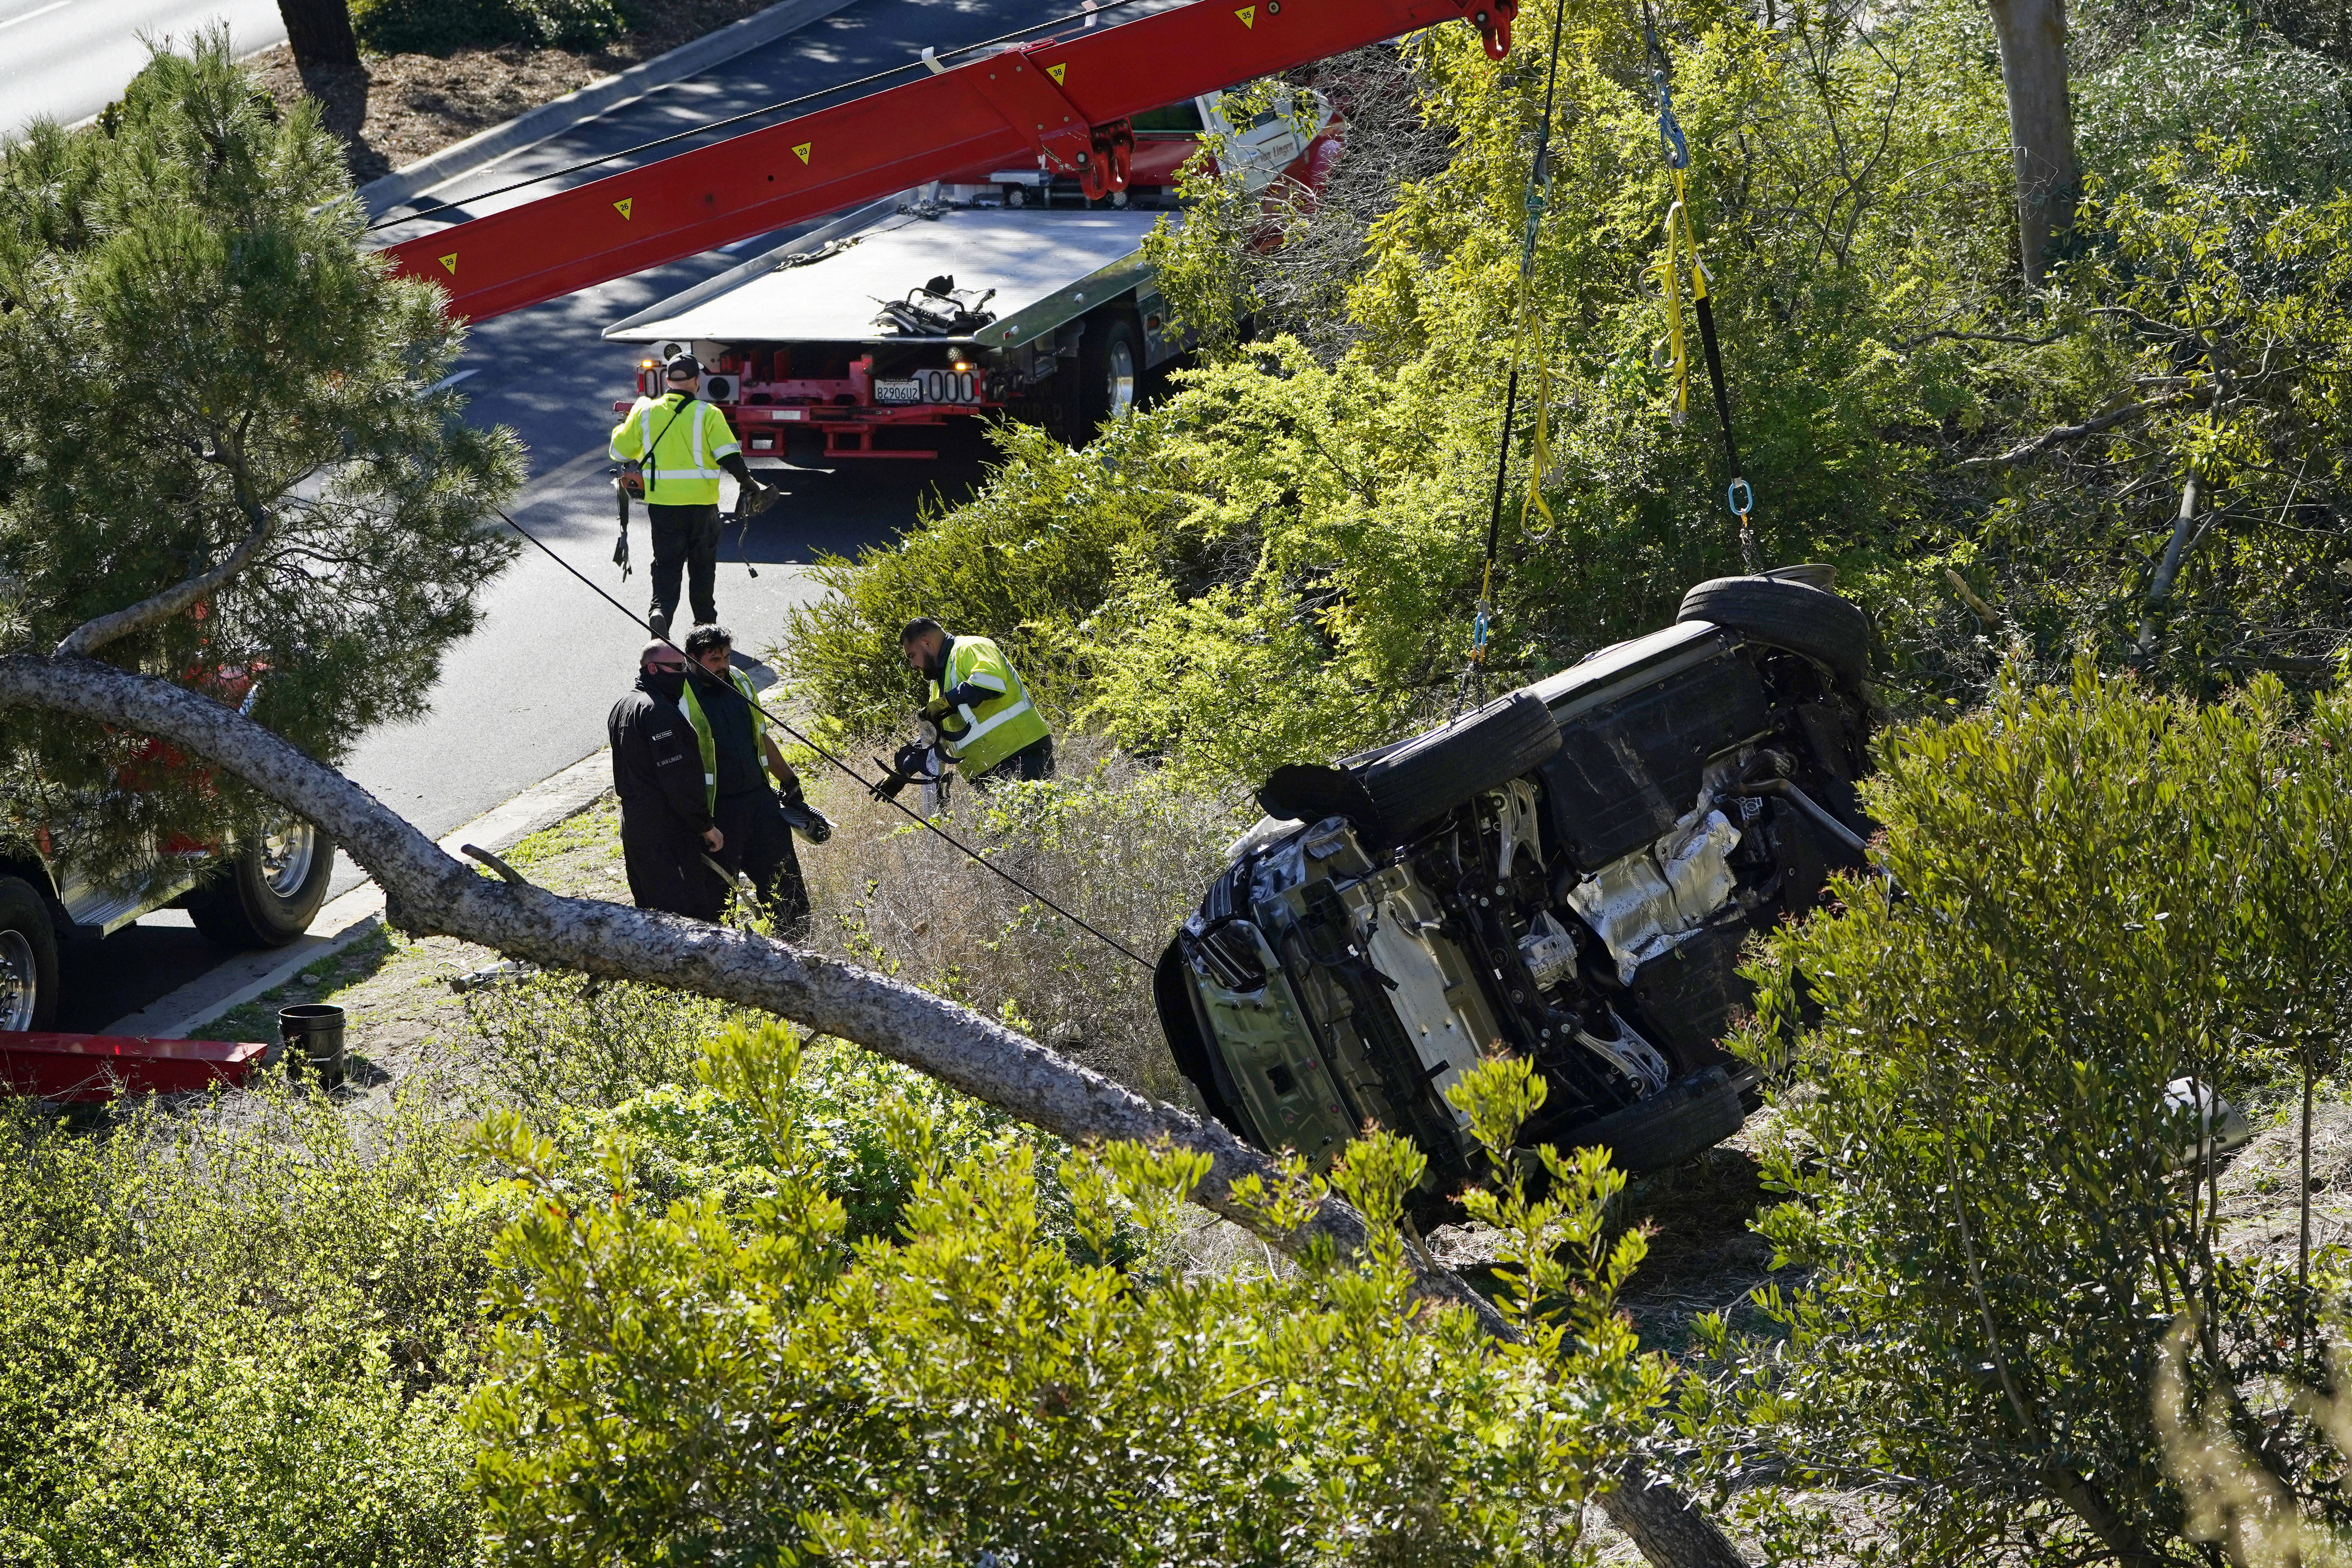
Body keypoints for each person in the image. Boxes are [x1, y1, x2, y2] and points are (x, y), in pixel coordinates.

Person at [609, 352, 776, 637]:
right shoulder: (709, 414)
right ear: (697, 382)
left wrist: (627, 421)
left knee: (666, 566)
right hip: (703, 508)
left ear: (667, 381)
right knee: (702, 568)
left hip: (664, 507)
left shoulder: (646, 412)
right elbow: (730, 457)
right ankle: (706, 630)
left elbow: (619, 452)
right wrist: (749, 484)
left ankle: (660, 614)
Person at [679, 624, 829, 937]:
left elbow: (761, 738)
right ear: (691, 659)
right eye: (714, 659)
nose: (723, 666)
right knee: (718, 902)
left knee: (787, 887)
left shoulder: (741, 682)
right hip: (717, 814)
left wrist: (789, 780)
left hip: (760, 804)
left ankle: (798, 951)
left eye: (727, 657)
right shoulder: (680, 696)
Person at [608, 641, 728, 921]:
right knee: (683, 913)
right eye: (677, 667)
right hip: (665, 828)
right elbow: (678, 779)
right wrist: (705, 825)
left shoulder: (623, 706)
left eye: (685, 666)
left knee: (651, 912)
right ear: (653, 668)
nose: (683, 673)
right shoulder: (657, 710)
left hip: (636, 826)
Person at [899, 617, 1054, 787]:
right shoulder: (938, 683)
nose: (913, 665)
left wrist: (948, 701)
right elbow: (935, 735)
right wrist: (903, 773)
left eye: (912, 656)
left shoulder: (971, 647)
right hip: (986, 773)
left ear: (927, 643)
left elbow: (990, 683)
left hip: (1021, 757)